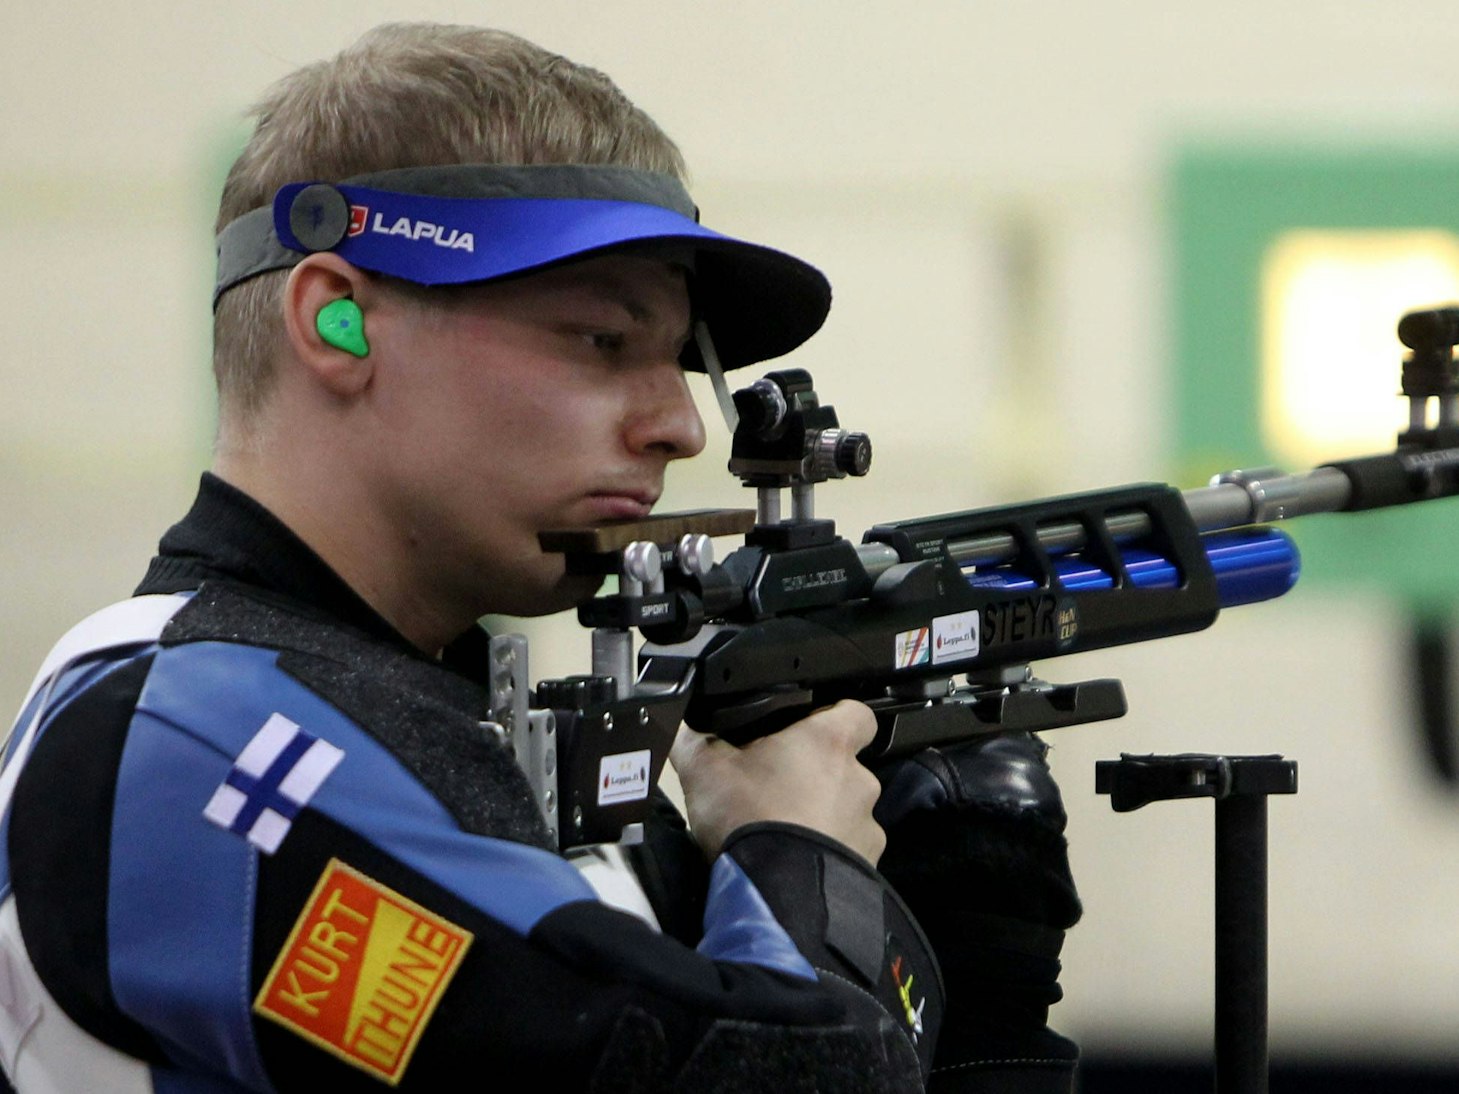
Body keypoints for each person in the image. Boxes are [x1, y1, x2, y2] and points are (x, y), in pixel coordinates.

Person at [0, 23, 1080, 1093]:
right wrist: (801, 857)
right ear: (337, 322)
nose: (680, 427)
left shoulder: (447, 727)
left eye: (676, 359)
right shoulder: (186, 734)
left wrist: (985, 1003)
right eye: (602, 340)